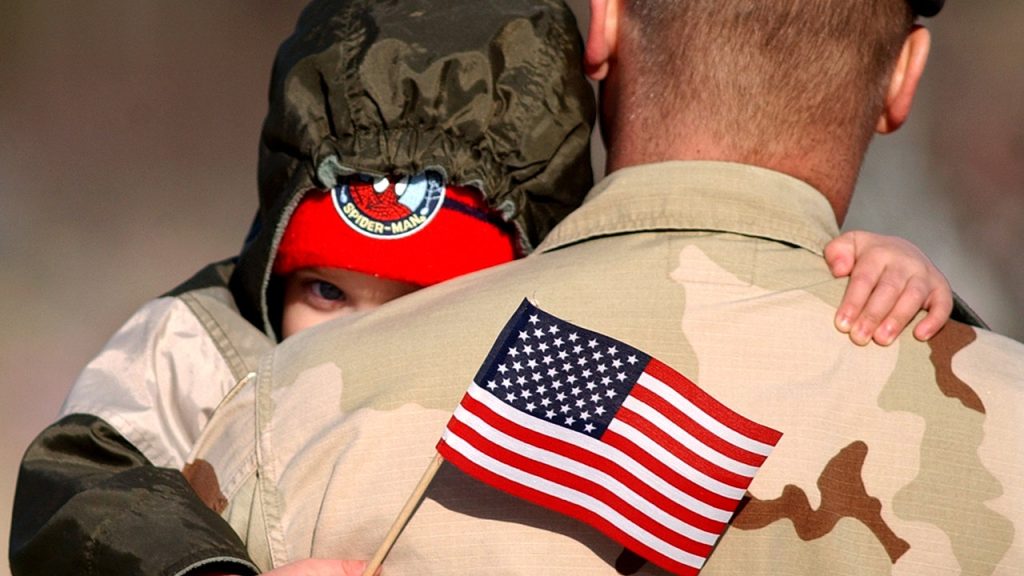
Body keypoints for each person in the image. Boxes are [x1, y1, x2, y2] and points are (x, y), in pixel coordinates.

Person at [6, 0, 982, 575]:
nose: (369, 342)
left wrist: (914, 294)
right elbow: (83, 483)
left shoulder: (278, 434)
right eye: (329, 293)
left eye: (435, 303)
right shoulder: (211, 351)